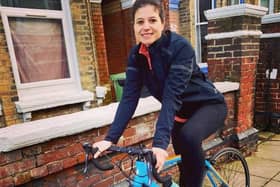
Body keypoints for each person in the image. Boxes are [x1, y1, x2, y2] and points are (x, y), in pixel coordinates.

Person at [93, 0, 227, 186]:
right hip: (180, 115)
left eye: (152, 20)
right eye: (140, 22)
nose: (146, 27)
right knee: (184, 162)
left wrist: (159, 143)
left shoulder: (180, 48)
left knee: (189, 139)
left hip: (209, 106)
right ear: (133, 26)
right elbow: (129, 99)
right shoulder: (135, 55)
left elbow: (171, 96)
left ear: (163, 23)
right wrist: (110, 139)